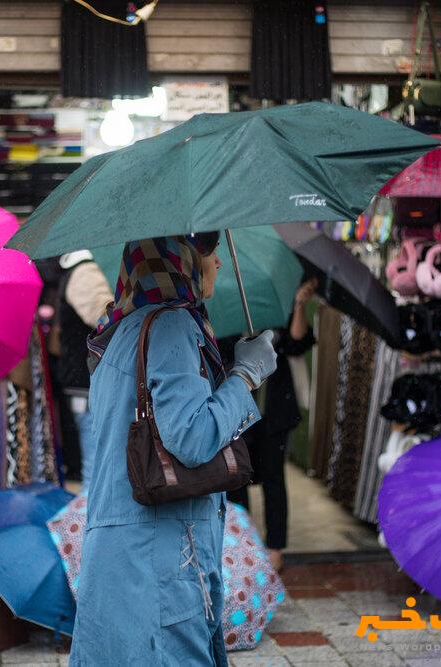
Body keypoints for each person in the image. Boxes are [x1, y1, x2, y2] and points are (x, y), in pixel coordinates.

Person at [71, 233, 277, 665]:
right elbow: (193, 439)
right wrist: (245, 376)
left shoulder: (119, 332)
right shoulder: (171, 324)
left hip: (125, 552)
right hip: (159, 557)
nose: (218, 263)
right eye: (208, 252)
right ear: (179, 259)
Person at [222, 277, 318, 572]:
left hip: (274, 410)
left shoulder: (274, 306)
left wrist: (299, 304)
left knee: (274, 479)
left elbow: (297, 343)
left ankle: (275, 548)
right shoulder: (226, 309)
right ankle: (243, 545)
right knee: (236, 480)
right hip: (238, 410)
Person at [54, 250, 114, 490]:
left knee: (94, 462)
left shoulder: (74, 271)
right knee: (96, 465)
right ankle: (90, 524)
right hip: (87, 383)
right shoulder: (83, 272)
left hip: (82, 381)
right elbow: (103, 316)